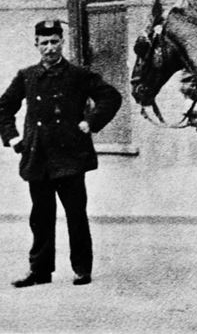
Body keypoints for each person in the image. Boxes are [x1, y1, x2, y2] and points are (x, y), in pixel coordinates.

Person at [0, 20, 122, 288]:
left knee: (76, 214)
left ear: (62, 42)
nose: (50, 48)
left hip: (70, 158)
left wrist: (91, 121)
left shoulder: (78, 75)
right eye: (44, 43)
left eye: (54, 41)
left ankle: (81, 269)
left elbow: (111, 97)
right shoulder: (27, 76)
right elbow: (4, 107)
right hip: (38, 157)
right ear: (36, 45)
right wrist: (14, 138)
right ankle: (40, 271)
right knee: (40, 216)